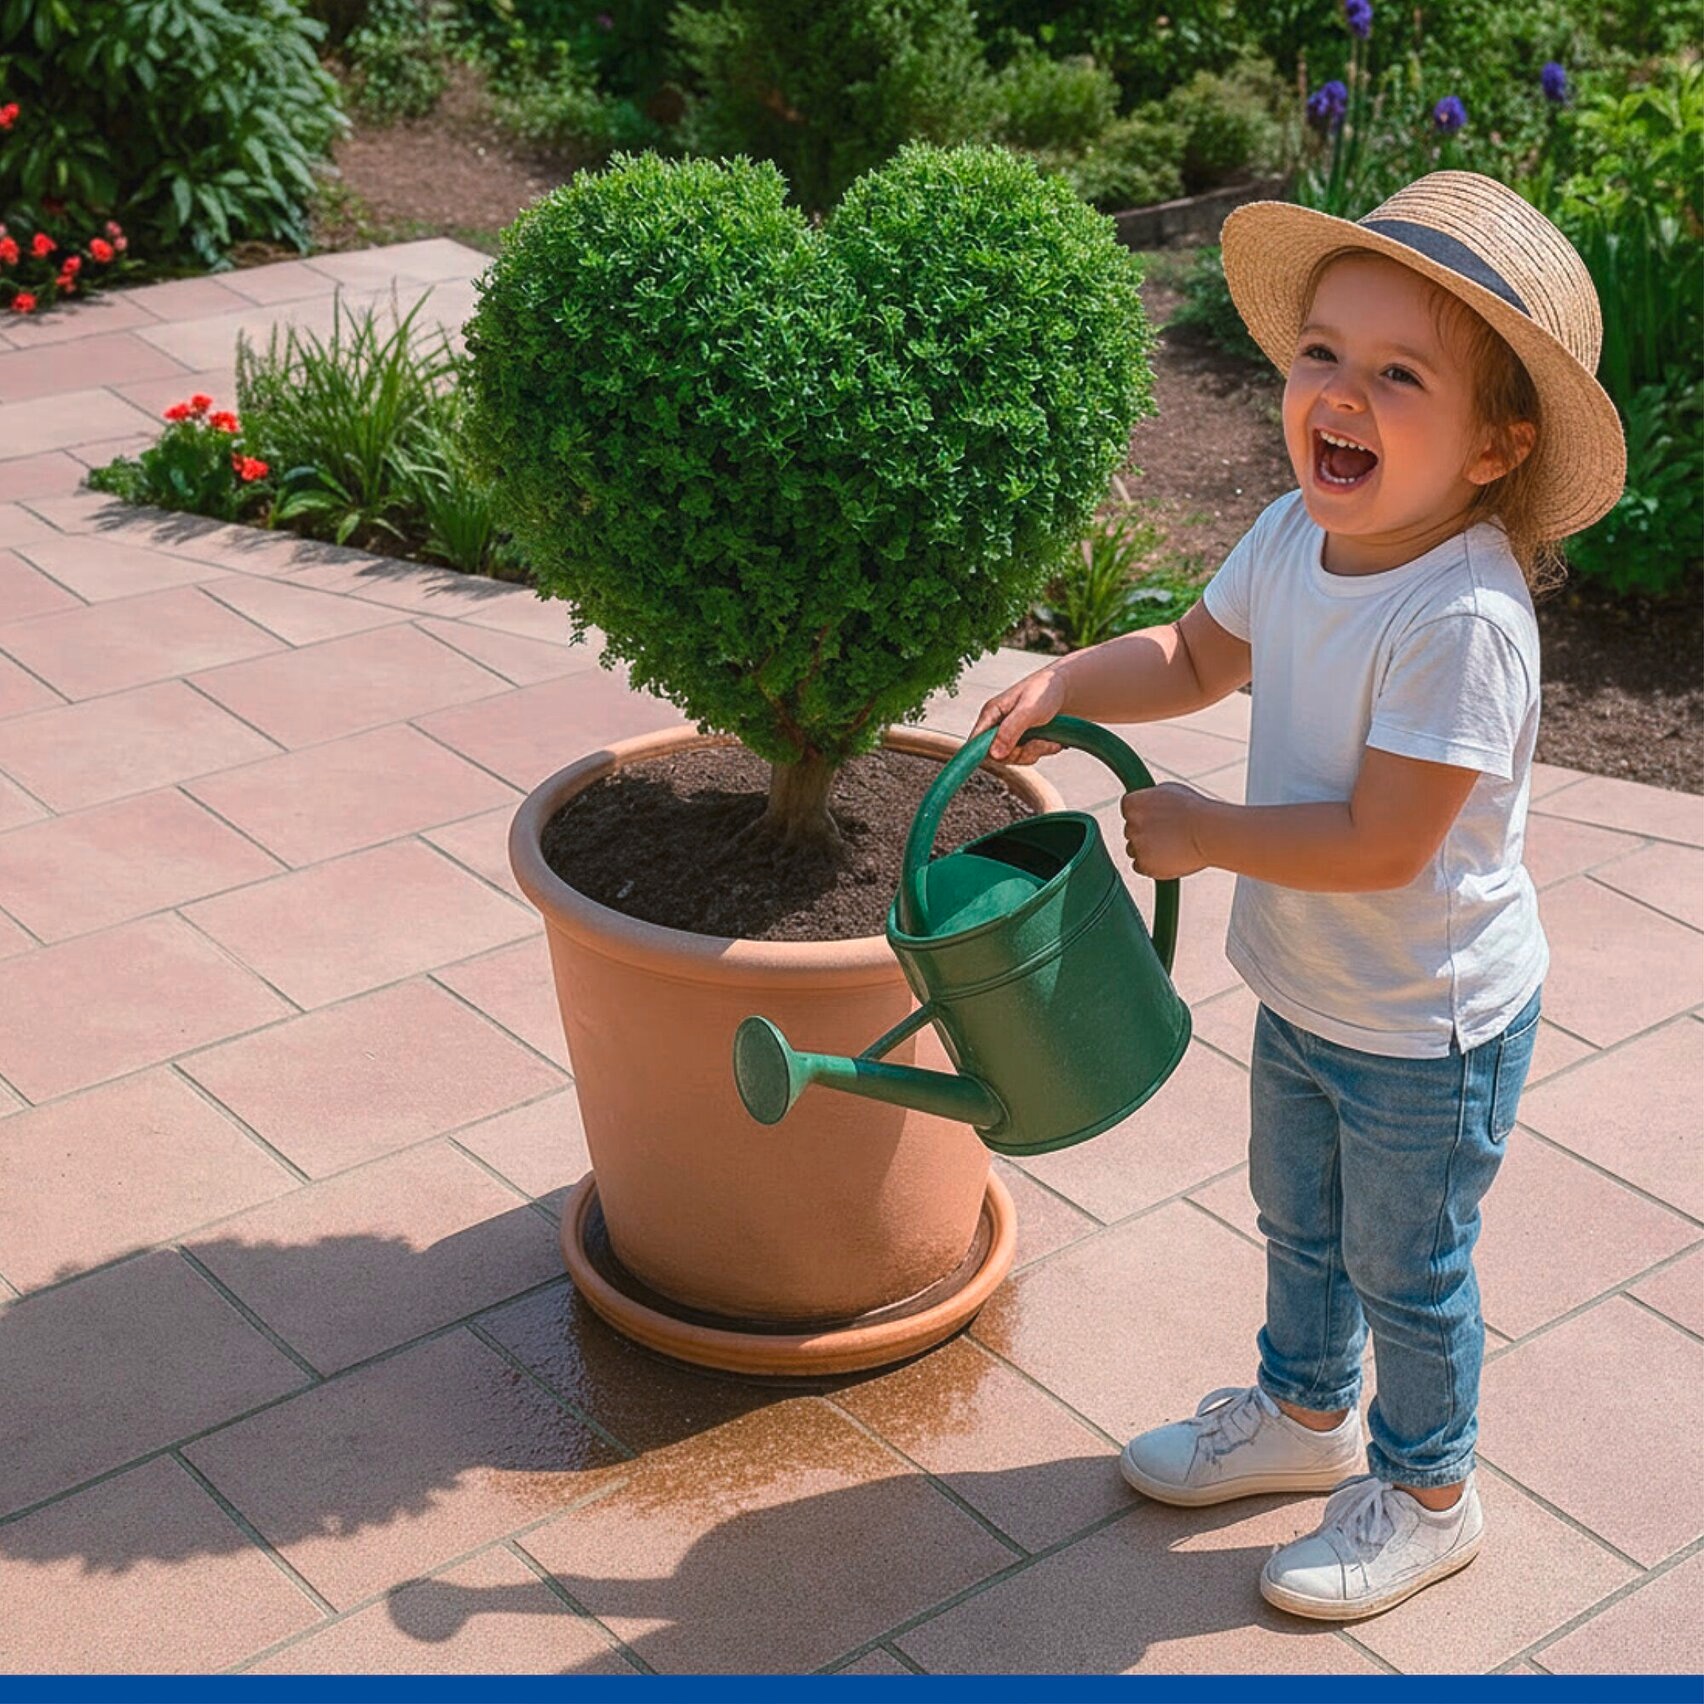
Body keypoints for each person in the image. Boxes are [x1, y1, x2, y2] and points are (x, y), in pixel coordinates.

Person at [969, 171, 1627, 1621]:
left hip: (1431, 1023)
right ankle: (1304, 1415)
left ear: (1496, 446)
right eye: (1325, 354)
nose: (1342, 393)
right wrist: (1071, 680)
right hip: (1314, 989)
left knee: (1410, 1265)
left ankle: (1430, 1487)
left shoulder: (1462, 618)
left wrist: (1207, 829)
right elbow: (1196, 659)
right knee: (1299, 1219)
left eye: (1401, 375)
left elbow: (1389, 841)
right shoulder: (1291, 540)